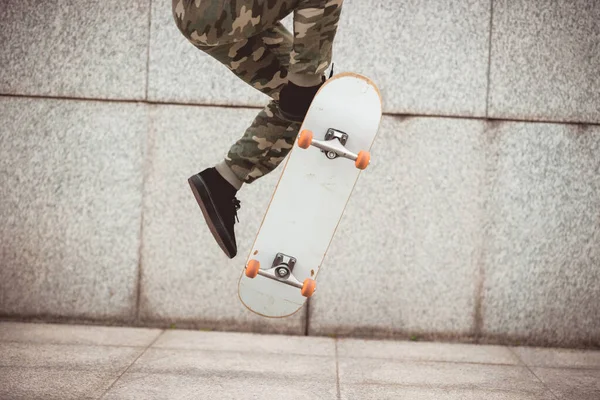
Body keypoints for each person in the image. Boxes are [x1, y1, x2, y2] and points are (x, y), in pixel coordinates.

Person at [172, 0, 343, 258]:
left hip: (212, 18)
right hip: (209, 9)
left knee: (304, 105)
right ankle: (305, 83)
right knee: (303, 91)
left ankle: (223, 180)